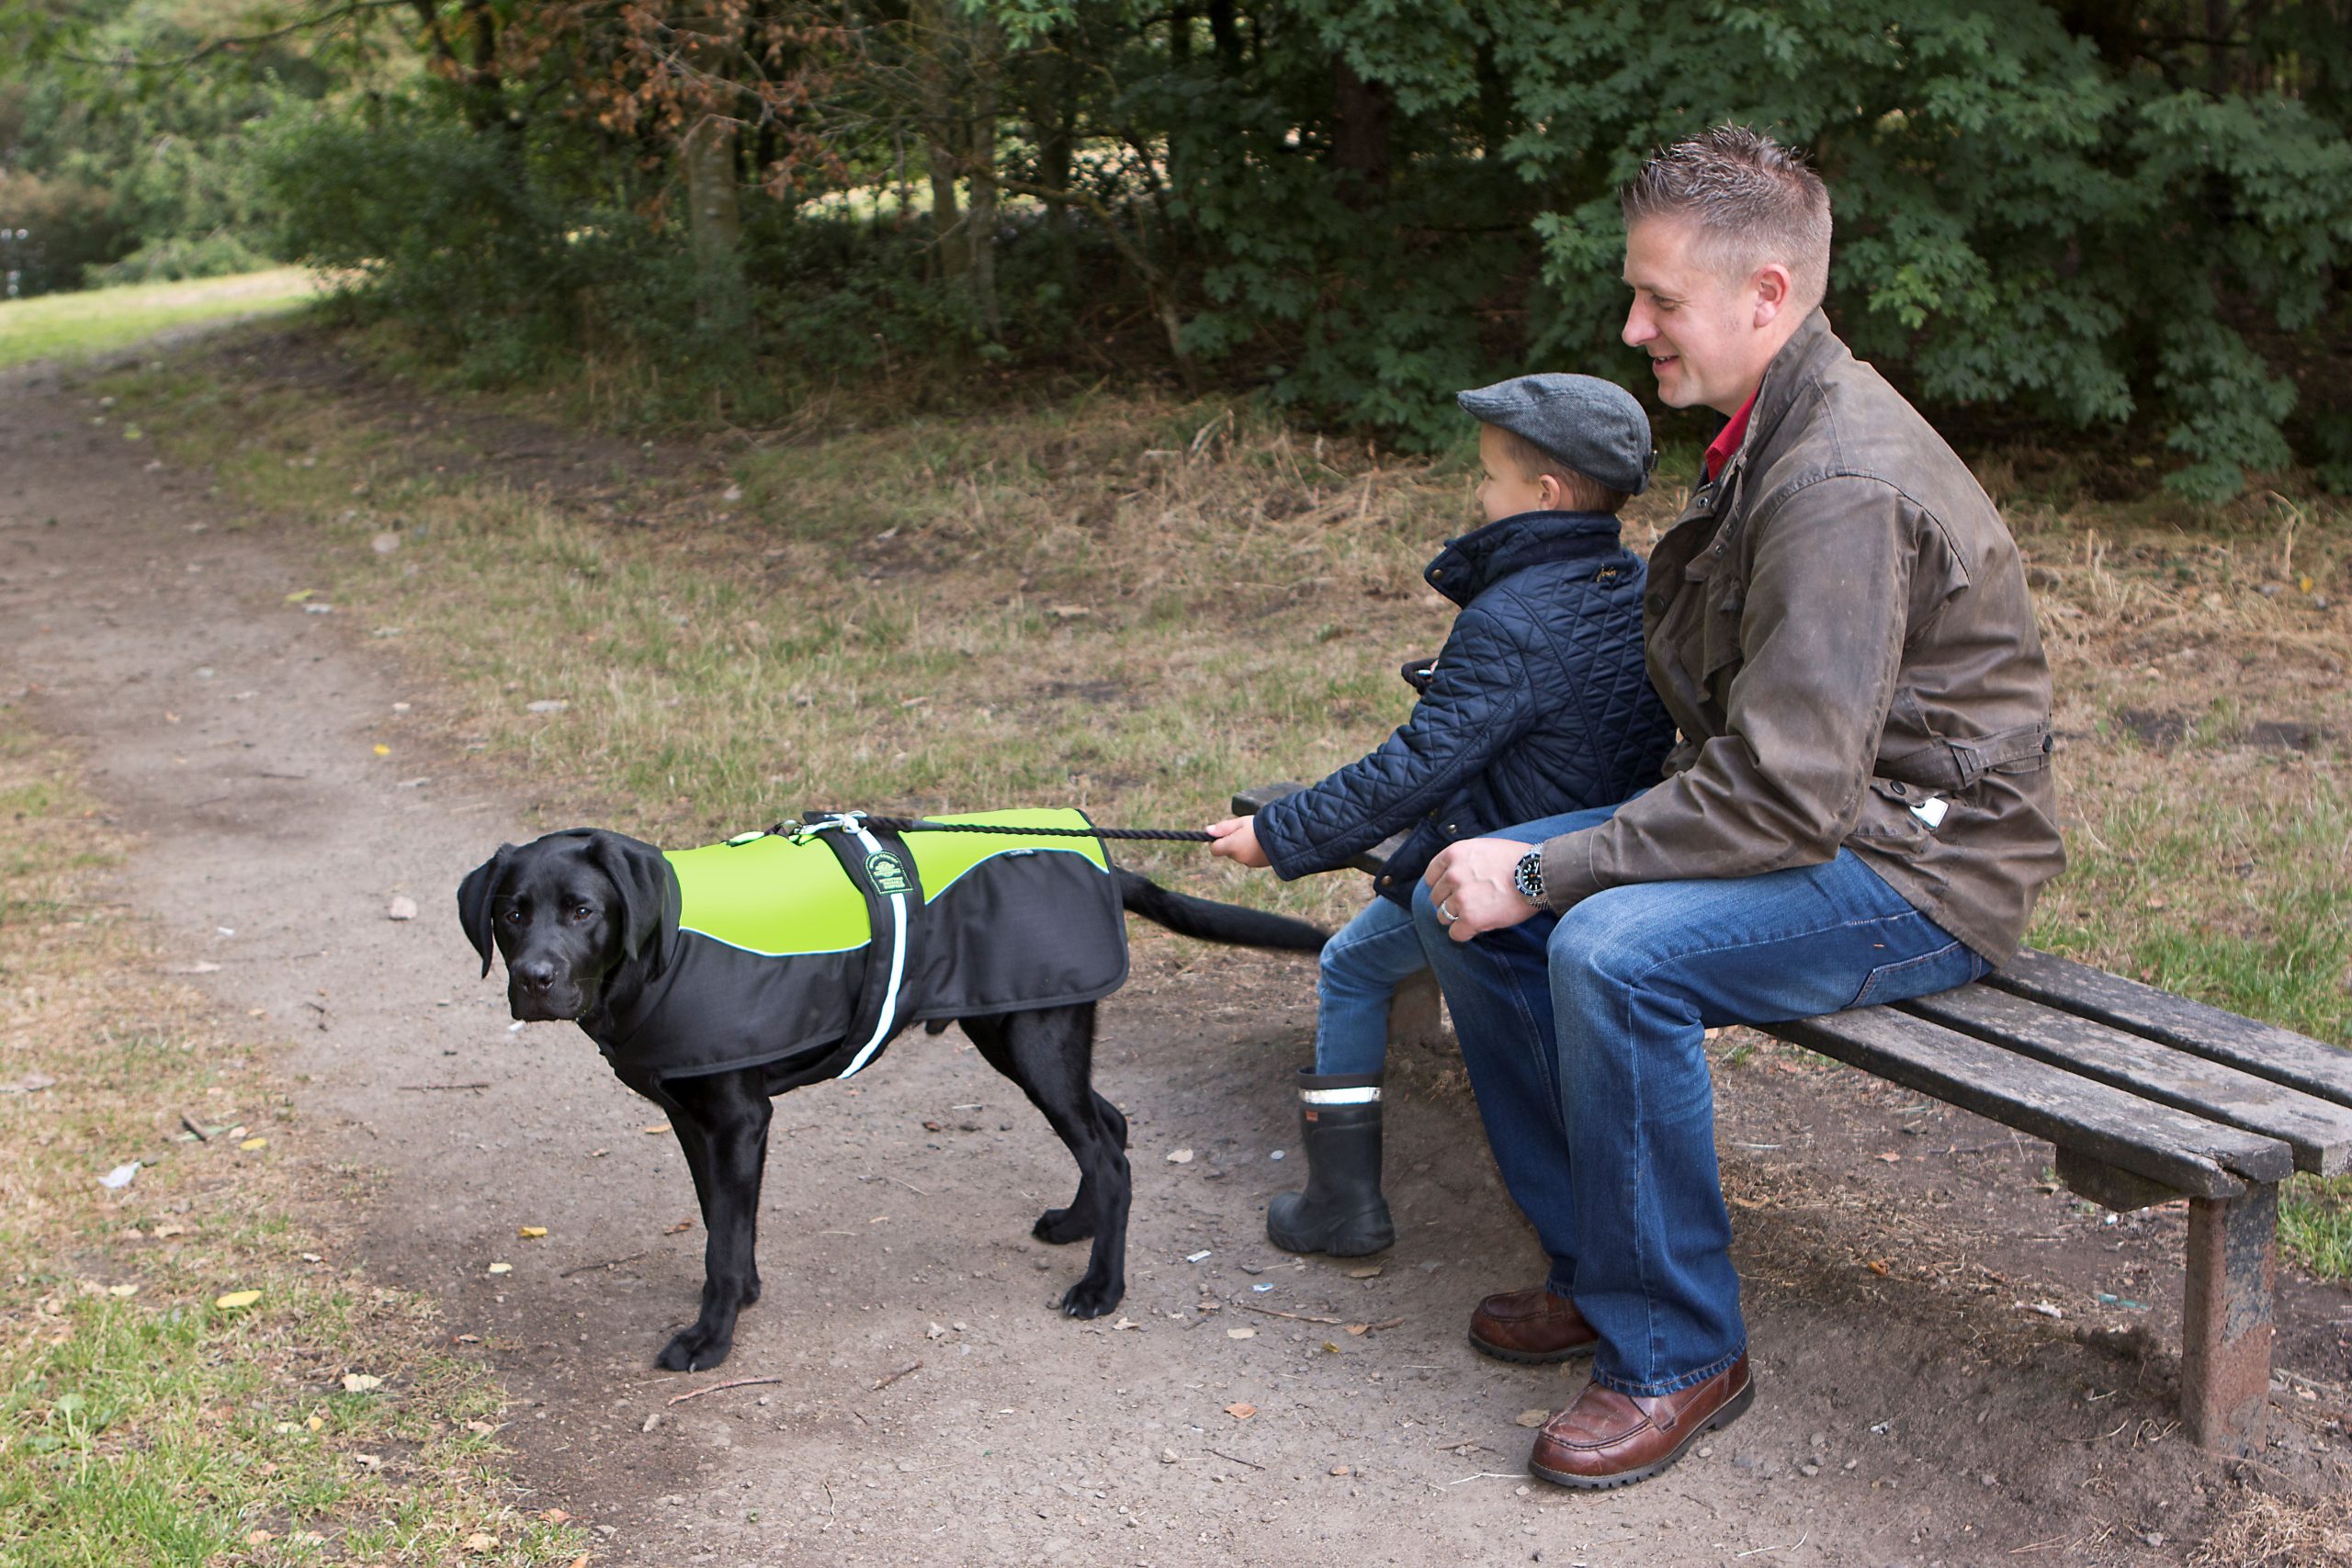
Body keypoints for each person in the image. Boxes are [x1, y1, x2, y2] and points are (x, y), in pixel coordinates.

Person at [1414, 126, 2065, 1491]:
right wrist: (1522, 864)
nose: (1632, 327)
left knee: (1609, 946)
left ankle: (1676, 1349)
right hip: (1824, 818)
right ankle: (1599, 1264)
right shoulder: (1769, 422)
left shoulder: (1836, 480)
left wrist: (1551, 871)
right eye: (1637, 293)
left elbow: (1783, 794)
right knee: (1457, 886)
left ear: (1767, 294)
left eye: (1659, 298)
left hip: (1922, 869)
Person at [1205, 375, 1675, 1258]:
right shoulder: (1636, 582)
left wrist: (1276, 832)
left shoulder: (1513, 618)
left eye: (1491, 477)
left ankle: (1342, 1206)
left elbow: (1414, 770)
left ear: (1545, 494)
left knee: (1351, 963)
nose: (1479, 494)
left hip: (1515, 875)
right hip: (1607, 854)